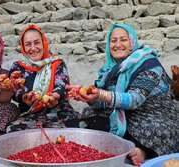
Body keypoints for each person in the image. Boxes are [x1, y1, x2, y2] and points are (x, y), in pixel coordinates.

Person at [68, 24, 179, 166]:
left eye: (123, 40)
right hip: (127, 115)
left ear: (132, 43)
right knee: (91, 119)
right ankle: (130, 148)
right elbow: (106, 102)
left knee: (157, 131)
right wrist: (92, 99)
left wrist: (101, 94)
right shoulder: (110, 69)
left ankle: (143, 151)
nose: (118, 45)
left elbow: (134, 99)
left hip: (154, 118)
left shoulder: (149, 65)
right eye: (113, 41)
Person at [0, 24, 84, 132]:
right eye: (28, 44)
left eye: (37, 43)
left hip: (59, 111)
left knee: (80, 126)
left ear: (43, 43)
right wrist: (25, 97)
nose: (33, 48)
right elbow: (14, 90)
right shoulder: (17, 66)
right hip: (30, 113)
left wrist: (54, 97)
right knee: (13, 131)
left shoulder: (56, 63)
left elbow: (61, 85)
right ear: (23, 47)